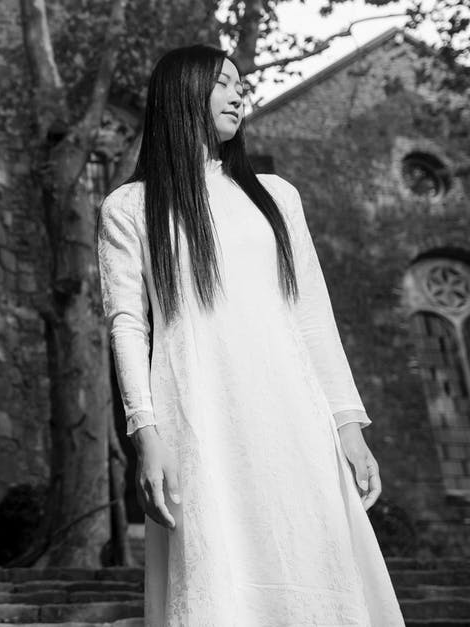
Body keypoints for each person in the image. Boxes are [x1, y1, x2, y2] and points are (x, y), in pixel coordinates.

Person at [96, 44, 406, 626]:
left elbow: (312, 313)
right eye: (223, 83)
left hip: (293, 414)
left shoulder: (276, 196)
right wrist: (147, 433)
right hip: (197, 415)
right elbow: (129, 325)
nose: (240, 93)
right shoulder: (130, 207)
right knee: (218, 579)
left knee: (314, 564)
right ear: (182, 93)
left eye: (242, 85)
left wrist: (348, 424)